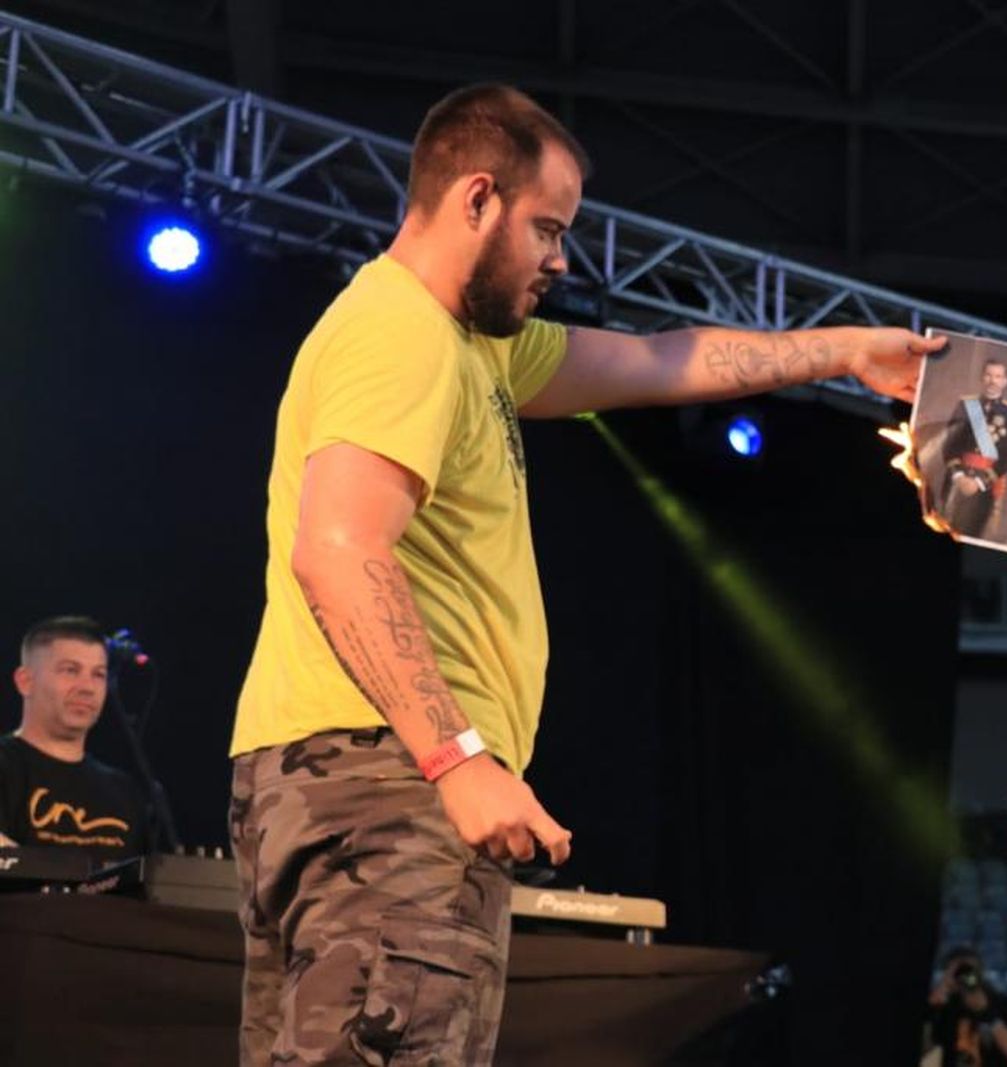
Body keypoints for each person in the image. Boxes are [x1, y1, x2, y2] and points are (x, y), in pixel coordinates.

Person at [226, 82, 946, 1065]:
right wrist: (457, 759)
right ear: (477, 198)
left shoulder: (472, 349)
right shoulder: (401, 332)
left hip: (351, 777)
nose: (561, 259)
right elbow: (339, 546)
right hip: (388, 780)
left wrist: (846, 351)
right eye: (547, 228)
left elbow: (662, 360)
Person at [0, 616, 148, 863]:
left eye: (98, 674)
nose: (87, 687)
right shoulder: (6, 766)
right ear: (25, 681)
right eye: (70, 670)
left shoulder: (125, 792)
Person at [939, 358, 1007, 540]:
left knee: (973, 537)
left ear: (1005, 381)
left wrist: (978, 482)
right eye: (989, 375)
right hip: (956, 479)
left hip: (987, 484)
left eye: (998, 376)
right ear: (982, 378)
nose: (993, 380)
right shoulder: (966, 405)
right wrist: (959, 477)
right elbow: (950, 444)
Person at [925, 946, 1007, 1067]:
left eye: (969, 971)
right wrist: (932, 1008)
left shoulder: (1005, 1006)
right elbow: (923, 1049)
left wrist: (988, 1014)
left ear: (981, 972)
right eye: (957, 972)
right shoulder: (947, 1007)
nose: (964, 977)